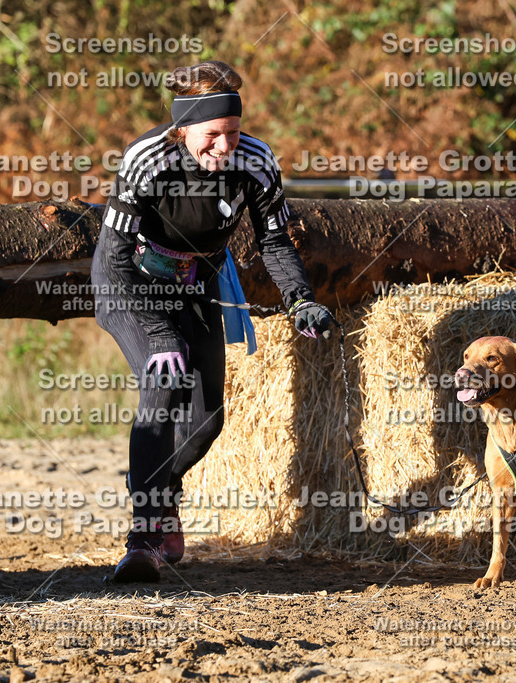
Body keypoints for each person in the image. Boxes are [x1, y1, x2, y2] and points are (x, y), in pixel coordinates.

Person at [91, 60, 331, 582]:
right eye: (212, 136)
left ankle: (159, 490)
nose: (225, 148)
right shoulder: (147, 159)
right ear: (181, 131)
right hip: (130, 280)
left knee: (206, 422)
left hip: (198, 279)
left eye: (234, 133)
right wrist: (157, 334)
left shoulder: (257, 161)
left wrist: (300, 300)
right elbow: (111, 258)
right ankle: (142, 539)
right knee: (165, 385)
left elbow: (272, 241)